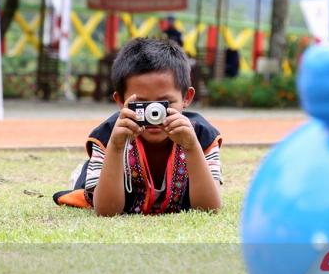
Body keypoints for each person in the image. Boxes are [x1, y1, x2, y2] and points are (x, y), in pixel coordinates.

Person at [53, 38, 222, 215]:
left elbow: (209, 209)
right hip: (106, 170)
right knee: (88, 188)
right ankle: (87, 171)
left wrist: (192, 147)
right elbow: (106, 212)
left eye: (165, 103)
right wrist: (116, 147)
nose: (154, 113)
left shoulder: (202, 136)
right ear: (120, 101)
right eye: (141, 104)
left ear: (187, 97)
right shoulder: (108, 135)